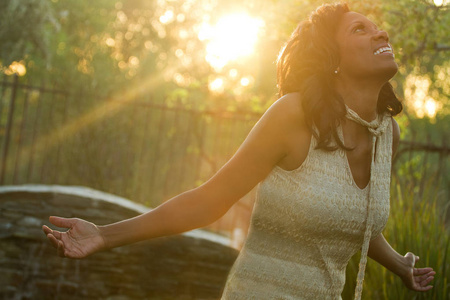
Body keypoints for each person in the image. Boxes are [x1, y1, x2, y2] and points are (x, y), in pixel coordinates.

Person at [42, 3, 436, 299]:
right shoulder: (295, 116)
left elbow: (355, 220)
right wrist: (105, 236)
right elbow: (209, 200)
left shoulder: (388, 135)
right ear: (333, 60)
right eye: (359, 29)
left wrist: (399, 264)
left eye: (378, 28)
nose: (381, 33)